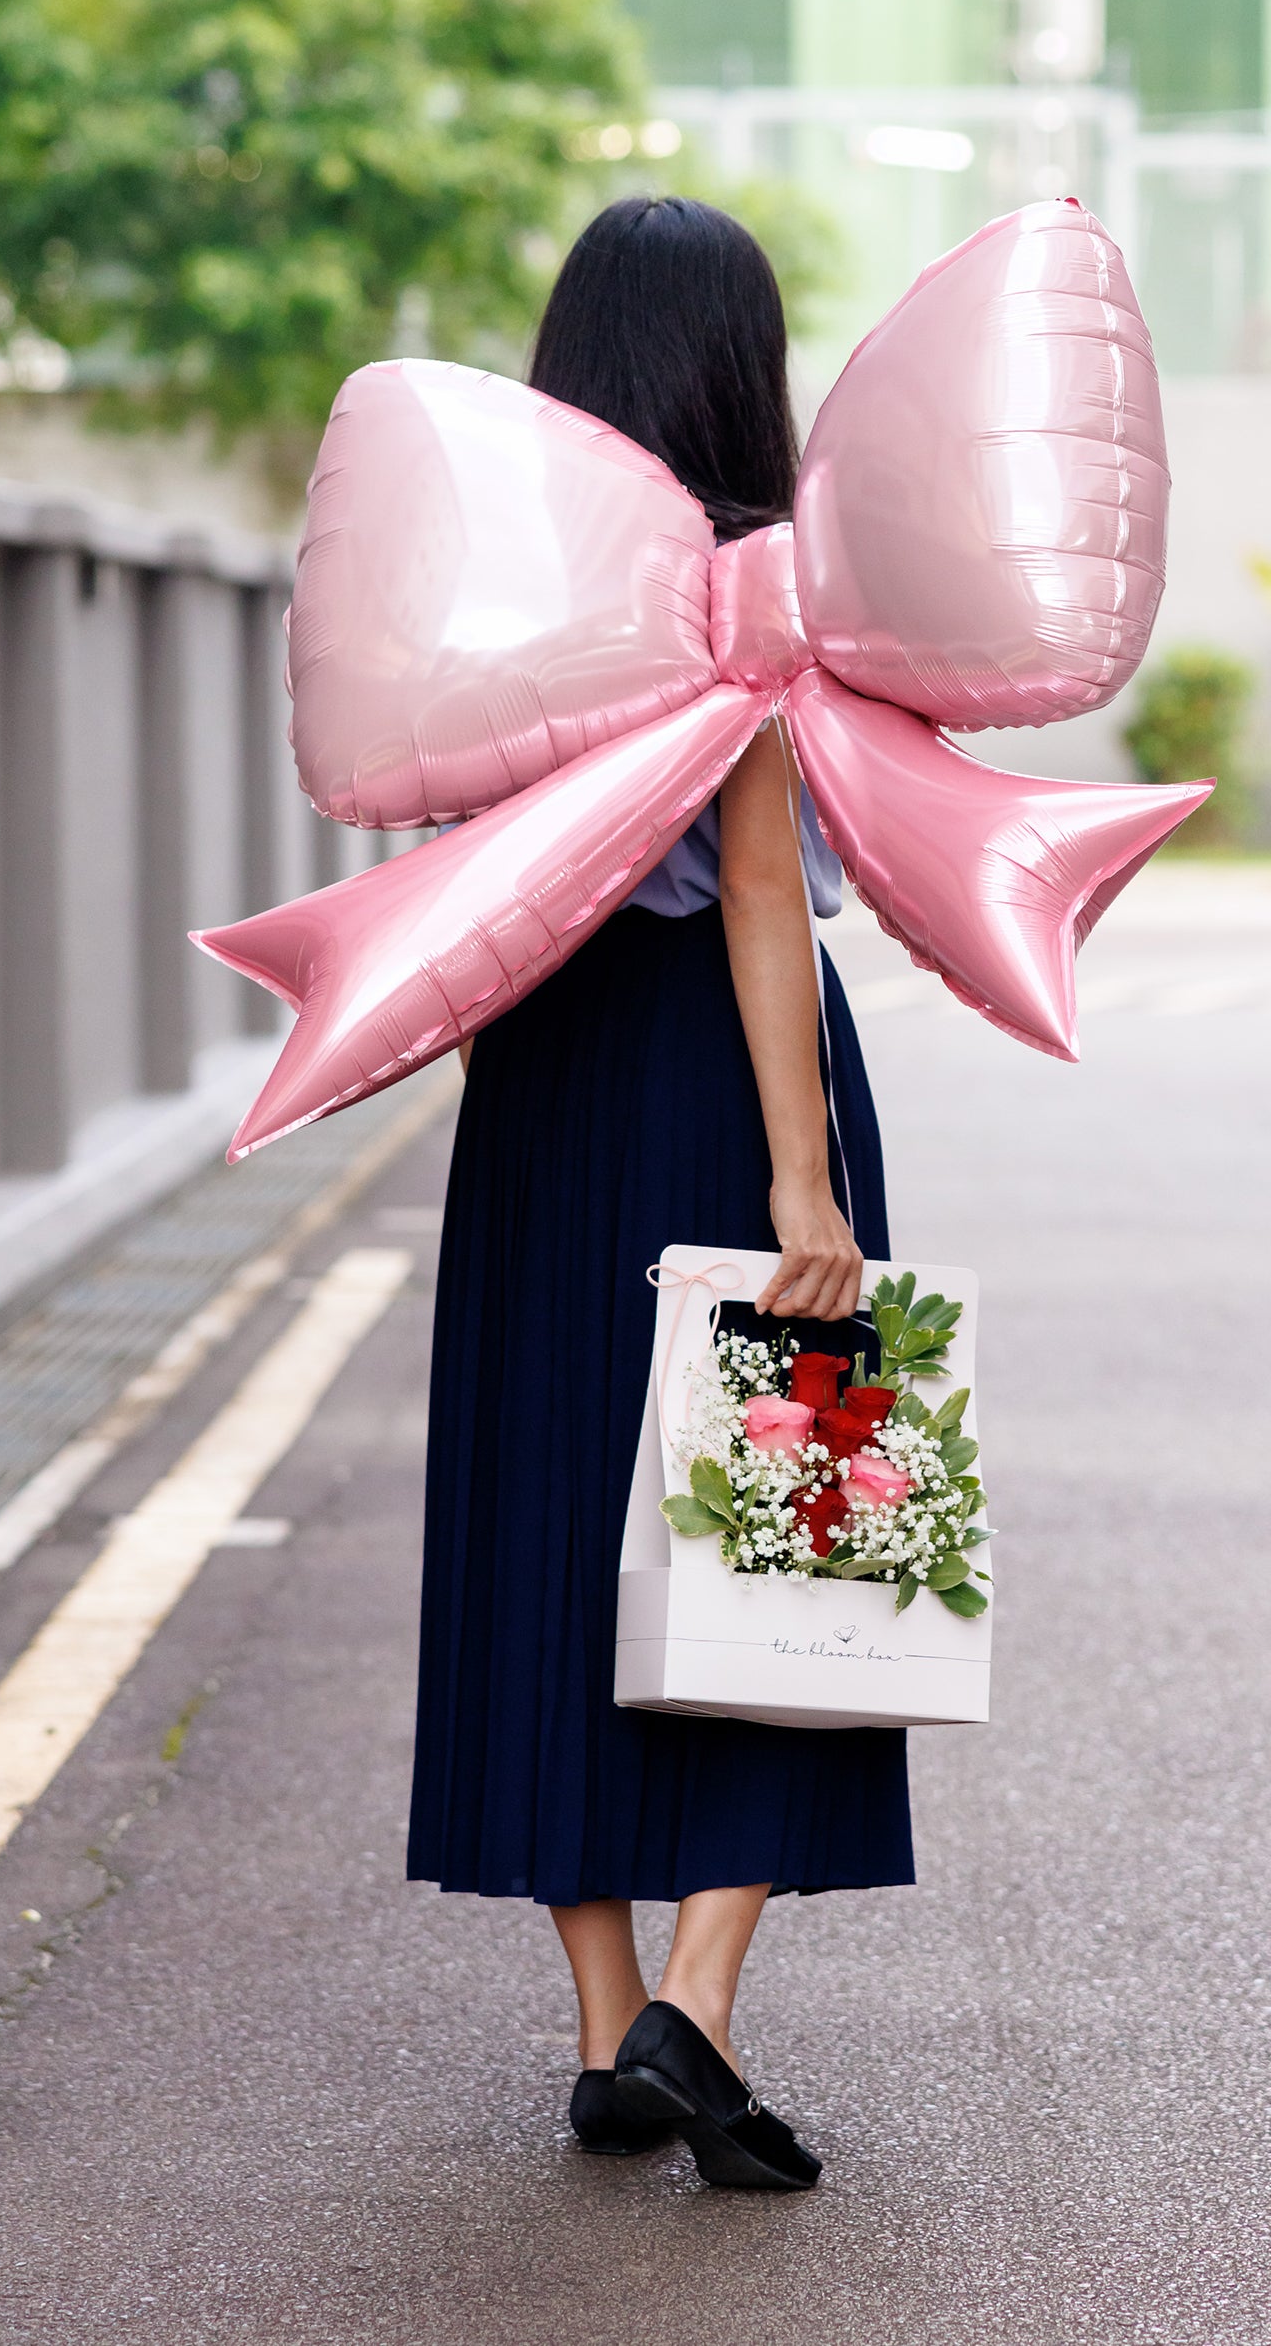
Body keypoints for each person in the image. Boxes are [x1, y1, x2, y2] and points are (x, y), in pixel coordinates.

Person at [406, 196, 911, 2192]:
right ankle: (701, 2000)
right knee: (781, 1518)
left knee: (549, 1503)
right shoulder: (739, 581)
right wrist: (804, 1170)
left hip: (540, 1071)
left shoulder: (493, 586)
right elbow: (766, 886)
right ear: (736, 362)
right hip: (725, 1062)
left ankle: (608, 2027)